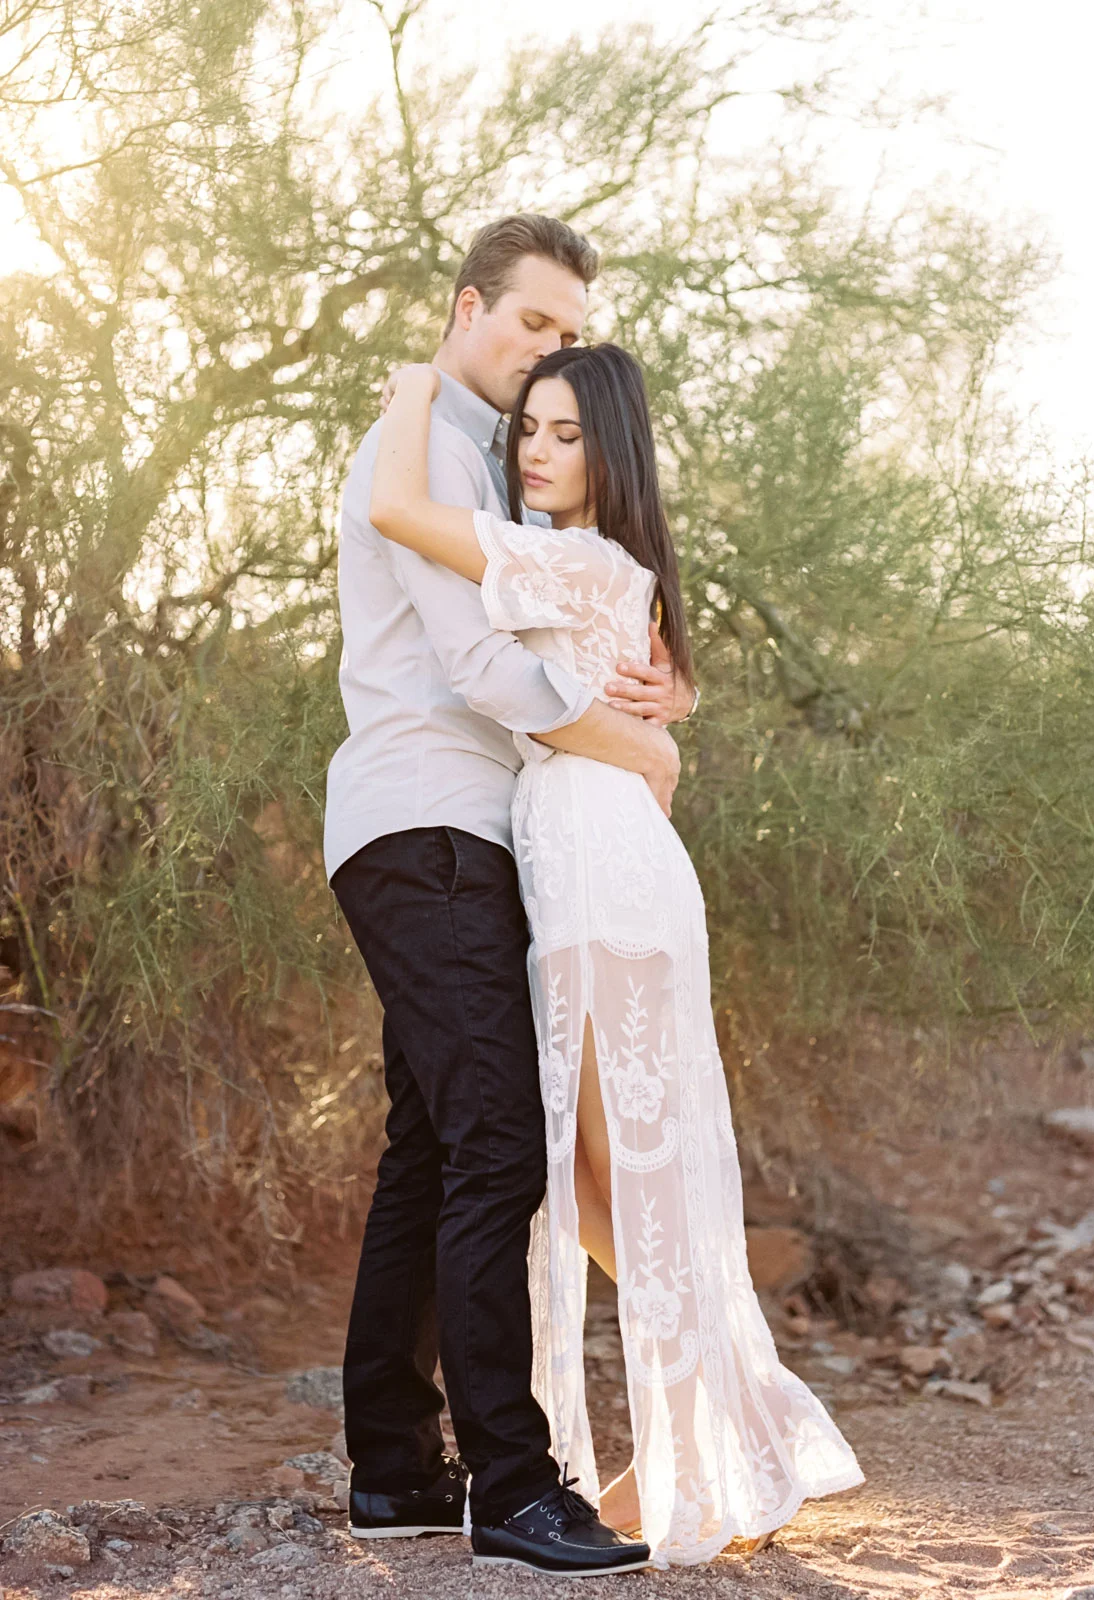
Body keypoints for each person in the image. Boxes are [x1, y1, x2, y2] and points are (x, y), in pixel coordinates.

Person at [368, 342, 865, 1568]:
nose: (535, 453)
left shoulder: (575, 559)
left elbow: (391, 508)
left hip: (602, 879)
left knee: (622, 1184)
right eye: (527, 432)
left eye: (565, 436)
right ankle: (730, 1413)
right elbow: (647, 690)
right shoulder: (607, 566)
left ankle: (723, 1434)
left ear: (613, 452)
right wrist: (668, 723)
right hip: (595, 865)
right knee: (601, 1186)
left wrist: (408, 392)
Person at [324, 215, 696, 1579]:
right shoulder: (420, 443)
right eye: (534, 323)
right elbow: (487, 672)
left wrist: (656, 688)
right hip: (427, 822)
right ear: (471, 305)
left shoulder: (482, 452)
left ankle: (393, 1471)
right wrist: (632, 739)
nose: (552, 348)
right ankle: (513, 1485)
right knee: (499, 1145)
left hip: (460, 831)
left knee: (430, 1145)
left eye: (569, 336)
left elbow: (588, 606)